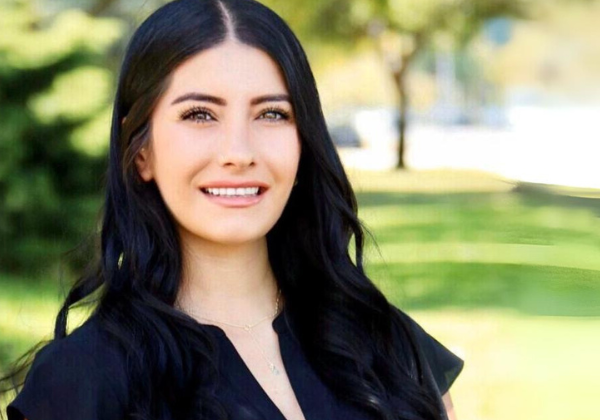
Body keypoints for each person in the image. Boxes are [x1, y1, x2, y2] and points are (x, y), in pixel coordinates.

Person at [2, 0, 464, 419]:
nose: (239, 152)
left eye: (272, 114)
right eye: (200, 114)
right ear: (140, 150)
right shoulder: (81, 383)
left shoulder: (389, 346)